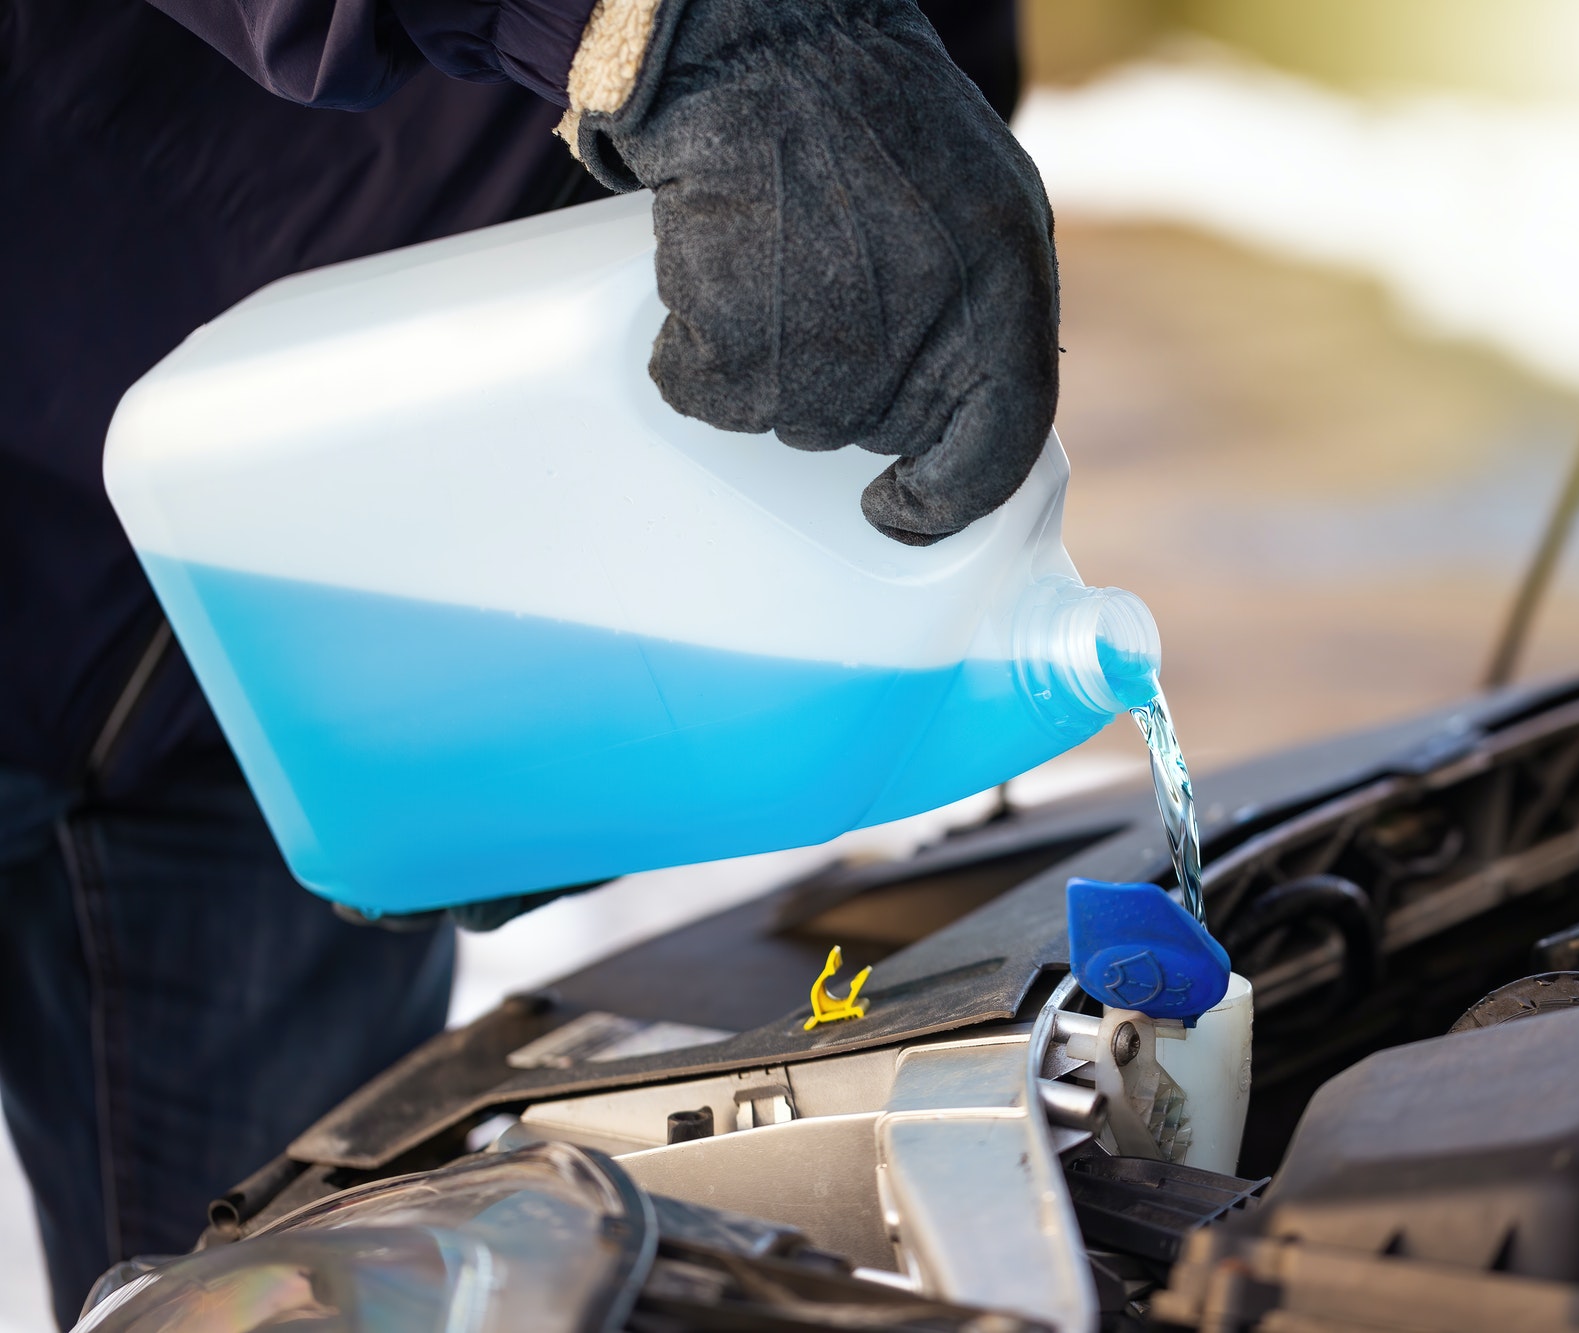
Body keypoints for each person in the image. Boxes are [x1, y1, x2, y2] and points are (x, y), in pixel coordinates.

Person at [0, 0, 1056, 1319]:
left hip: (323, 624)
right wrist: (701, 29)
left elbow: (888, 121)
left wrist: (903, 150)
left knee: (308, 1271)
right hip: (107, 384)